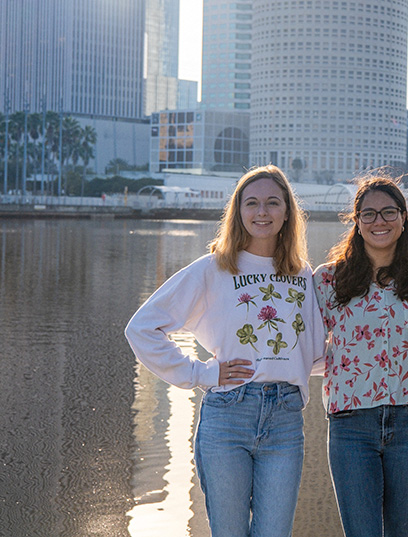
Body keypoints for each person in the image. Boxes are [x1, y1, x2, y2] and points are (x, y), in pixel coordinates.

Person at [125, 165, 325, 537]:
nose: (261, 212)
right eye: (251, 203)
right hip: (228, 415)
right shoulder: (214, 268)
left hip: (285, 419)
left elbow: (312, 355)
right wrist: (201, 374)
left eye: (271, 203)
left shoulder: (301, 274)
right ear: (238, 212)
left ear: (286, 213)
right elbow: (142, 328)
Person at [313, 176, 408, 537]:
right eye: (368, 214)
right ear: (356, 221)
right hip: (350, 424)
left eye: (389, 212)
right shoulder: (327, 280)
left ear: (404, 218)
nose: (379, 222)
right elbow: (306, 347)